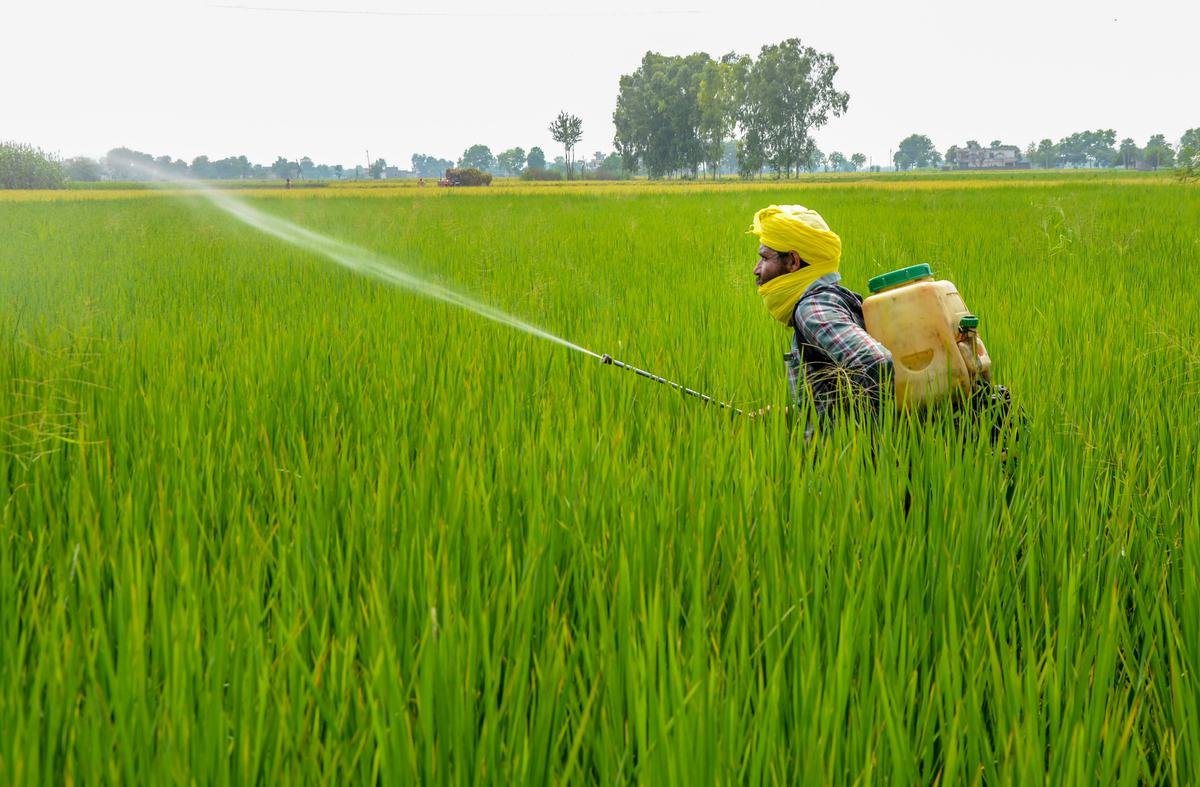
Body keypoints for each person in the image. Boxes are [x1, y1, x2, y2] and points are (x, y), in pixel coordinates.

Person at [748, 204, 892, 436]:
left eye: (764, 258)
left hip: (844, 465)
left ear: (793, 262)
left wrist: (867, 442)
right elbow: (834, 397)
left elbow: (875, 362)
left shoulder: (812, 309)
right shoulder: (833, 299)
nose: (756, 270)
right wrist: (786, 414)